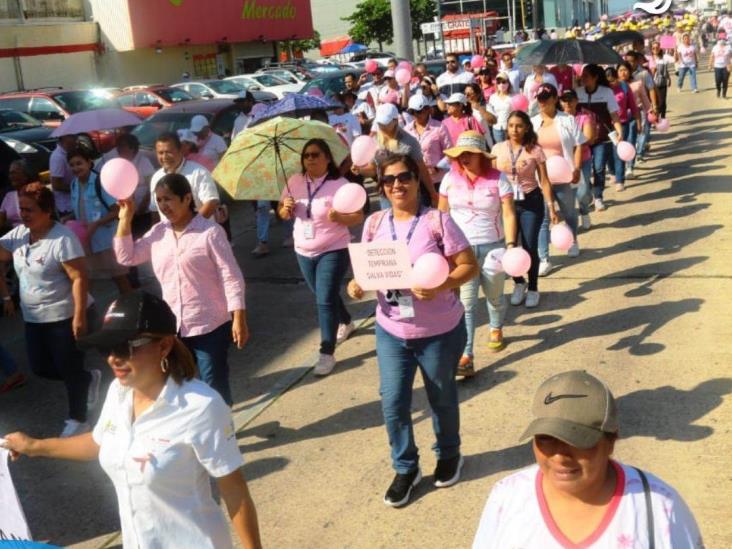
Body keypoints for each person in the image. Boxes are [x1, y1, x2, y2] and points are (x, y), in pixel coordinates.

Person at [2, 291, 262, 549]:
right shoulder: (118, 391)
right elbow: (100, 443)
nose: (113, 358)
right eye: (107, 348)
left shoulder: (201, 406)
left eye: (125, 347)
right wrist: (34, 446)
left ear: (164, 346)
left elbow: (235, 492)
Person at [347, 154, 478, 508]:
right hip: (391, 329)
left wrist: (442, 285)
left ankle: (449, 453)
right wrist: (356, 286)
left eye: (404, 177)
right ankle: (406, 468)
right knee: (393, 403)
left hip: (438, 330)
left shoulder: (437, 221)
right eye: (388, 180)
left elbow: (469, 266)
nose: (396, 185)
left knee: (442, 399)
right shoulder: (374, 223)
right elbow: (369, 271)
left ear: (417, 180)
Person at [472, 370, 704, 548]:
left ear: (611, 441)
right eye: (545, 439)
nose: (559, 455)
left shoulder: (658, 506)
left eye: (578, 440)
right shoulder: (507, 497)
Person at [114, 174, 247, 405]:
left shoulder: (210, 233)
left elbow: (231, 276)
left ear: (187, 198)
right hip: (173, 327)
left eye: (168, 199)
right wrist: (125, 219)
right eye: (159, 200)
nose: (164, 206)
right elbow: (127, 256)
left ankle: (222, 431)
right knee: (178, 383)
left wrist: (239, 317)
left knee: (213, 383)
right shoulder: (158, 233)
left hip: (210, 324)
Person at [0, 183, 99, 437]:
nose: (23, 214)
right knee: (40, 367)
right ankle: (85, 379)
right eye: (21, 208)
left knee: (69, 368)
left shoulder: (63, 239)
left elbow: (79, 277)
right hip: (34, 317)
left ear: (46, 210)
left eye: (29, 209)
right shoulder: (19, 235)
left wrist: (78, 317)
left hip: (64, 317)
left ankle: (78, 419)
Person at [277, 139, 362, 376]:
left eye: (315, 155)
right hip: (303, 250)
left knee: (324, 299)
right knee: (326, 295)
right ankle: (346, 320)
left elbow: (357, 216)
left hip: (333, 248)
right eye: (306, 156)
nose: (310, 159)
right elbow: (282, 213)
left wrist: (341, 218)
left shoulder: (340, 184)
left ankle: (326, 352)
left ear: (327, 158)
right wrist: (286, 208)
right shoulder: (294, 181)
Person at [438, 131, 517, 376]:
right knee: (467, 303)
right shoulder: (449, 179)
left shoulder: (499, 179)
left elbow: (508, 214)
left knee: (494, 296)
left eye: (469, 154)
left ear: (481, 156)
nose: (463, 158)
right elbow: (441, 216)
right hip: (462, 252)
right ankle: (466, 355)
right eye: (460, 154)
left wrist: (512, 245)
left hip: (493, 246)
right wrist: (442, 249)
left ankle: (496, 325)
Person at [492, 111, 558, 308]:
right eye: (511, 125)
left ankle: (534, 288)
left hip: (530, 201)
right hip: (506, 203)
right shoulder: (497, 148)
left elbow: (544, 181)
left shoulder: (535, 150)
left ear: (527, 127)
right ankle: (519, 283)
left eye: (519, 126)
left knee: (529, 246)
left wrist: (551, 207)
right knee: (509, 247)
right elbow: (492, 177)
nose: (514, 130)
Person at [531, 84, 584, 276]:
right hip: (541, 177)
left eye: (546, 97)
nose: (542, 101)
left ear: (555, 98)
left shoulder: (568, 120)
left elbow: (579, 145)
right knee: (543, 217)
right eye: (539, 98)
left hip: (564, 174)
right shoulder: (533, 123)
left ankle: (573, 240)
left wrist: (576, 167)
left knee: (569, 211)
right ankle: (544, 258)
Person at [68, 148, 131, 294]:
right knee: (87, 280)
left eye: (79, 163)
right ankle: (91, 311)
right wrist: (69, 218)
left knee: (119, 278)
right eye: (72, 165)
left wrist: (96, 224)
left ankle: (133, 306)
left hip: (106, 240)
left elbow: (116, 211)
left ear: (89, 163)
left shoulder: (100, 182)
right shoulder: (73, 184)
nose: (76, 168)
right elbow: (81, 209)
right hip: (87, 240)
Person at [353, 103, 437, 207]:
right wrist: (360, 170)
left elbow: (422, 169)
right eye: (380, 123)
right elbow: (373, 169)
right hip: (386, 194)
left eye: (386, 123)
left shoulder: (410, 142)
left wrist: (432, 192)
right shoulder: (374, 142)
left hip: (408, 192)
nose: (382, 126)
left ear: (395, 121)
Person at [576, 64, 624, 212]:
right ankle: (588, 190)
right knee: (584, 172)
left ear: (596, 77)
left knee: (598, 168)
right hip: (581, 139)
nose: (583, 79)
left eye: (586, 76)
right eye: (582, 76)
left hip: (602, 137)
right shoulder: (577, 93)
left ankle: (598, 197)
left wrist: (619, 131)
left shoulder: (607, 92)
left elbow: (614, 115)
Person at [150, 132, 220, 219]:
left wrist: (190, 227)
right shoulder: (156, 177)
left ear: (180, 150)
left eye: (169, 152)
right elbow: (155, 210)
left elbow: (211, 203)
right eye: (160, 153)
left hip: (201, 230)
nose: (165, 157)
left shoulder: (199, 173)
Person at [559, 89, 596, 231]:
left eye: (570, 99)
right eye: (564, 99)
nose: (567, 103)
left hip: (583, 159)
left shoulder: (584, 117)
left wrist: (574, 143)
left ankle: (584, 211)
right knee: (567, 196)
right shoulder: (558, 118)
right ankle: (570, 224)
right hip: (563, 162)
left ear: (576, 101)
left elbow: (588, 138)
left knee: (583, 192)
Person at [404, 94, 451, 193]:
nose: (416, 115)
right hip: (416, 181)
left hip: (437, 180)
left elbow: (450, 152)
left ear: (427, 110)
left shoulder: (440, 127)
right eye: (412, 112)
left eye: (419, 111)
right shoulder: (406, 130)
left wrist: (437, 168)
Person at [604, 66, 640, 193]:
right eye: (608, 81)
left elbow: (633, 105)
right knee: (608, 153)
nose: (611, 83)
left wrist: (638, 121)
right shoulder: (603, 90)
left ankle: (620, 180)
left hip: (622, 123)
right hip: (606, 125)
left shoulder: (624, 86)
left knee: (619, 152)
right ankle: (613, 172)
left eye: (613, 80)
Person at [1, 160, 36, 231]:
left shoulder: (36, 193)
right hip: (15, 237)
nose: (11, 176)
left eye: (14, 173)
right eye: (10, 173)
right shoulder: (9, 196)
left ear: (25, 175)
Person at [49, 134, 77, 218]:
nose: (75, 139)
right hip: (66, 207)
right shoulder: (58, 157)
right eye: (72, 136)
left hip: (74, 202)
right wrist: (79, 188)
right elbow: (56, 185)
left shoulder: (70, 153)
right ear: (64, 138)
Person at [488, 72, 514, 143]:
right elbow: (491, 112)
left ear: (508, 83)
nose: (501, 84)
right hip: (497, 128)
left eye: (504, 82)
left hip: (510, 128)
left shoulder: (513, 97)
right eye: (499, 82)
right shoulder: (493, 97)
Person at [649, 42, 672, 118]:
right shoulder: (649, 59)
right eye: (653, 48)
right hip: (652, 84)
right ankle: (656, 118)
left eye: (657, 47)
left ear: (660, 48)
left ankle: (663, 117)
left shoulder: (663, 58)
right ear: (651, 49)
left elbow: (666, 70)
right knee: (654, 102)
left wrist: (669, 78)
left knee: (662, 102)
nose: (655, 49)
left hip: (662, 83)